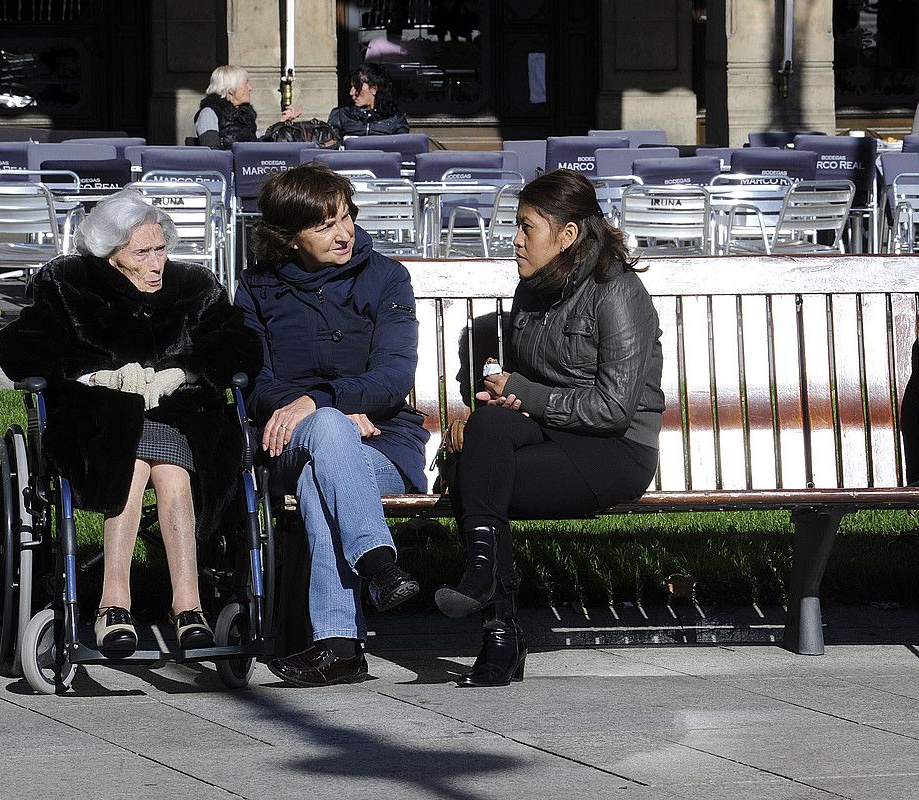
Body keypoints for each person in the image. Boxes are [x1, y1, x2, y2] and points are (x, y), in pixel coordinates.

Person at [0, 189, 262, 653]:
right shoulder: (69, 283)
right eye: (143, 253)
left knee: (172, 472)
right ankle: (115, 600)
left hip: (179, 416)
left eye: (161, 249)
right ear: (112, 254)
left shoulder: (195, 287)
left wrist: (188, 373)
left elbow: (239, 344)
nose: (157, 262)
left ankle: (185, 606)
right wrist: (93, 376)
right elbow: (22, 346)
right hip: (92, 420)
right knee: (134, 462)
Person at [435, 169, 665, 687]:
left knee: (478, 478)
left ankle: (498, 627)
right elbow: (527, 385)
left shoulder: (617, 290)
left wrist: (523, 392)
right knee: (486, 435)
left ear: (566, 236)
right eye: (515, 227)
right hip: (554, 433)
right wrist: (492, 403)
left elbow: (613, 409)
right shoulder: (533, 287)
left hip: (614, 451)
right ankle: (489, 603)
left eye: (526, 228)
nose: (514, 241)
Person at [233, 162, 428, 687]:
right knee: (328, 430)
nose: (342, 234)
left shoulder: (387, 276)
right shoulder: (256, 289)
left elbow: (394, 375)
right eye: (322, 226)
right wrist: (324, 411)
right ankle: (380, 564)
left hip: (383, 443)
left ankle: (339, 646)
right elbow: (254, 384)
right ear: (287, 237)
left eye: (345, 217)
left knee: (321, 477)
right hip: (286, 440)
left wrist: (320, 401)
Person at [195, 64, 301, 149]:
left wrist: (281, 124)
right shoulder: (209, 113)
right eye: (246, 83)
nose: (250, 88)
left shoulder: (245, 115)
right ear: (231, 90)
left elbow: (260, 140)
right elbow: (211, 151)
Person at [327, 62, 410, 139]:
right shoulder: (341, 115)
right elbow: (330, 146)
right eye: (351, 87)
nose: (351, 92)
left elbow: (401, 147)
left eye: (357, 87)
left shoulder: (395, 119)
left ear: (374, 89)